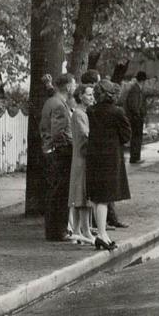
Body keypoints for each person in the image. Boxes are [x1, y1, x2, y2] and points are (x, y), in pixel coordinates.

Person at [86, 80, 131, 251]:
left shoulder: (90, 111)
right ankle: (101, 235)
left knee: (97, 197)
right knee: (105, 198)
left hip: (93, 157)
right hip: (110, 158)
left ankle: (103, 234)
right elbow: (127, 135)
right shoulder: (117, 112)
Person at [41, 73, 76, 242]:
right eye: (74, 84)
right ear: (68, 87)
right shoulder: (61, 106)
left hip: (51, 151)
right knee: (60, 193)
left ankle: (54, 230)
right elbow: (58, 132)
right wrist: (71, 144)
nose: (75, 87)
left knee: (54, 192)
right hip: (60, 153)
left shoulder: (52, 101)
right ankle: (58, 231)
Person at [66, 82, 96, 244]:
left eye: (92, 95)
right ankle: (85, 230)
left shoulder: (82, 113)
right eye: (89, 94)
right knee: (83, 196)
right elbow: (86, 135)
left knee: (79, 195)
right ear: (81, 96)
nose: (92, 98)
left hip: (80, 157)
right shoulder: (79, 114)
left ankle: (78, 230)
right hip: (83, 158)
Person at [121, 70, 149, 165]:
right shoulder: (135, 89)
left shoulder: (136, 89)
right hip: (135, 117)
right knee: (136, 137)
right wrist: (138, 114)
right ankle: (135, 157)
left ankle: (136, 157)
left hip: (136, 116)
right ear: (143, 80)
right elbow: (134, 105)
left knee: (137, 137)